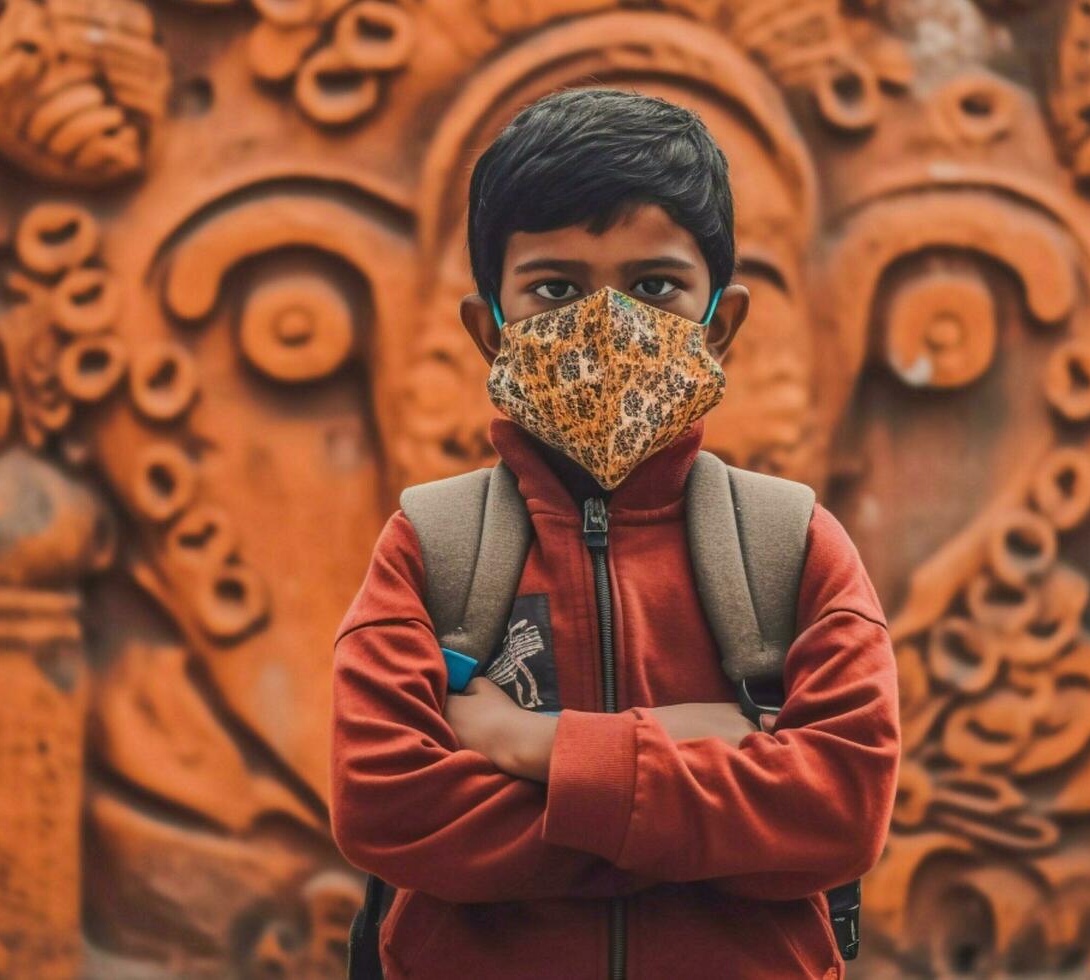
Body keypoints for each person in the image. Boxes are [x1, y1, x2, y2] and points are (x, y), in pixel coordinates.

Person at [329, 87, 900, 979]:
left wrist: (536, 745)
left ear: (723, 326)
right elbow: (387, 807)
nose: (605, 325)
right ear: (489, 332)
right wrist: (699, 760)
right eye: (554, 288)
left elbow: (840, 813)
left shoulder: (790, 546)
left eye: (655, 286)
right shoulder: (431, 546)